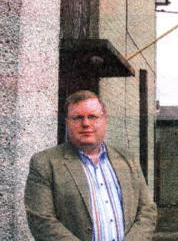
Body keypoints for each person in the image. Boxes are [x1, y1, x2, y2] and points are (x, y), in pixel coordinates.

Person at [25, 90, 157, 241]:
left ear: (104, 120)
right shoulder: (45, 163)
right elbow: (41, 221)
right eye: (78, 118)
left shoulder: (128, 160)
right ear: (67, 122)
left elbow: (147, 211)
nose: (86, 123)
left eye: (92, 117)